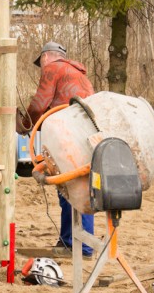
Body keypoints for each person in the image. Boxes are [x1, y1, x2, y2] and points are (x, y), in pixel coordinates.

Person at [17, 41, 95, 257]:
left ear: (45, 57)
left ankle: (81, 247)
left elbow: (39, 103)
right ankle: (69, 241)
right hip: (86, 135)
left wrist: (26, 123)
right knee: (76, 188)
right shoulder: (78, 74)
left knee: (72, 188)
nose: (42, 68)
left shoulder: (53, 68)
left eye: (41, 63)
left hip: (70, 137)